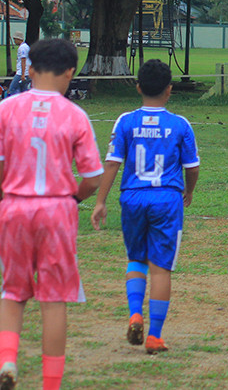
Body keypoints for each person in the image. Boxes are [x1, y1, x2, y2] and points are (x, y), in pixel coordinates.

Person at [0, 39, 105, 390]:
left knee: (13, 292)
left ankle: (8, 361)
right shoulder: (74, 115)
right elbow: (92, 177)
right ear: (70, 73)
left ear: (29, 69)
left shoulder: (7, 109)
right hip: (57, 209)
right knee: (54, 298)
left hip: (14, 206)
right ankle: (50, 384)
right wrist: (72, 198)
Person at [90, 59, 200, 355]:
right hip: (166, 198)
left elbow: (112, 163)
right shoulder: (180, 124)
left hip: (133, 198)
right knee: (161, 269)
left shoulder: (125, 121)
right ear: (169, 90)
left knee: (136, 259)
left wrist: (100, 201)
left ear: (138, 87)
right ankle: (154, 336)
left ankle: (135, 313)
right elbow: (192, 167)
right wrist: (188, 192)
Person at [5, 32, 31, 97]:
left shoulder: (22, 48)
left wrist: (22, 74)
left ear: (19, 39)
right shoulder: (26, 46)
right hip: (26, 72)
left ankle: (13, 104)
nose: (14, 41)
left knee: (12, 89)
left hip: (21, 73)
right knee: (23, 90)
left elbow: (23, 60)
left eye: (15, 39)